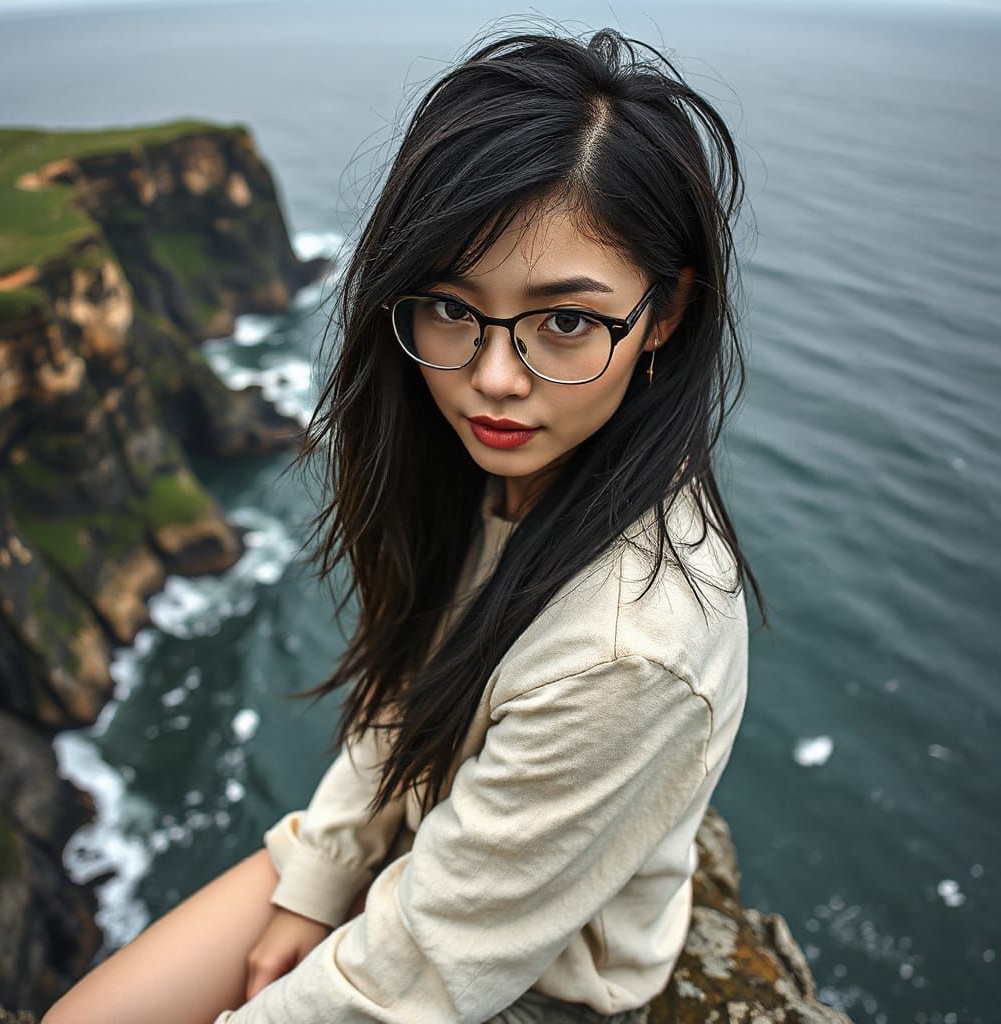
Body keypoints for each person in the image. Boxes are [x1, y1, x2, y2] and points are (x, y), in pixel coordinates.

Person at [44, 22, 767, 1024]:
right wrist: (319, 876)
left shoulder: (627, 650)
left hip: (521, 983)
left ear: (668, 310)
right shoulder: (526, 471)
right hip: (430, 858)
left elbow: (413, 981)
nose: (493, 378)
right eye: (449, 306)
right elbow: (416, 689)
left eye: (566, 319)